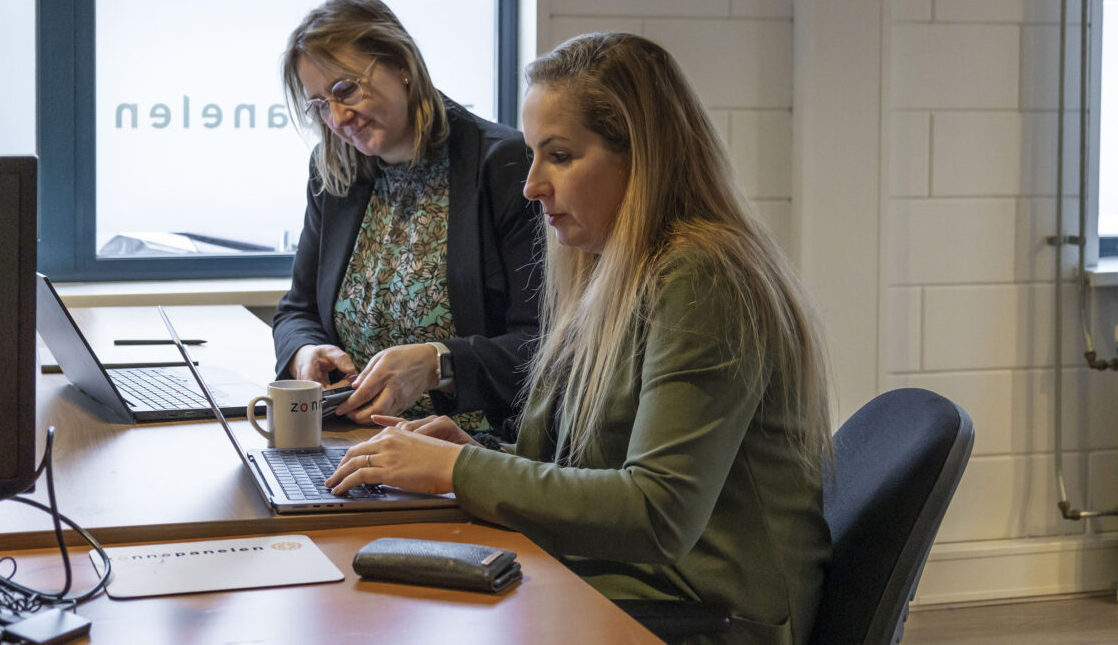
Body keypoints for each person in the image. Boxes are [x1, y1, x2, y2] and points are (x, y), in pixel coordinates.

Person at [325, 32, 833, 645]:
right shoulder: (614, 267)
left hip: (706, 615)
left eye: (560, 156)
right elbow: (596, 467)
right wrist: (479, 455)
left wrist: (460, 469)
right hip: (627, 581)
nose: (531, 185)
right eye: (533, 155)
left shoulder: (703, 279)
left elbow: (656, 513)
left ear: (641, 158)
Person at [274, 0, 540, 435]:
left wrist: (439, 363)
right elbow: (296, 311)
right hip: (354, 436)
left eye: (345, 89)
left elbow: (543, 344)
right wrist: (304, 353)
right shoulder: (333, 170)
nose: (337, 118)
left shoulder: (502, 164)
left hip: (471, 445)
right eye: (319, 103)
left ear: (402, 64)